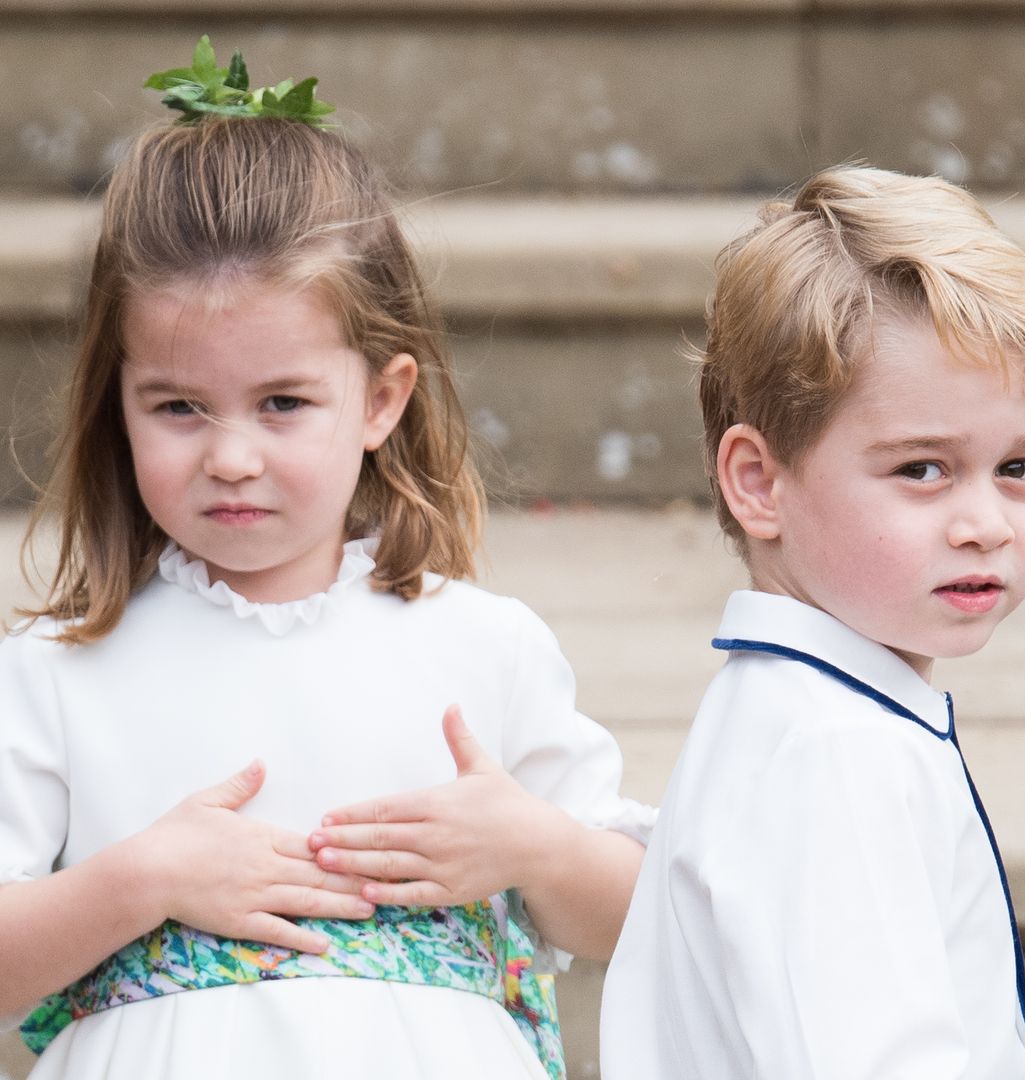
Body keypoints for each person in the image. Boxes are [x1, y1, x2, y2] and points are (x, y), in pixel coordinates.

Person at [0, 39, 650, 1080]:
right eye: (177, 406)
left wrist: (534, 848)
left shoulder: (482, 646)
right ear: (115, 407)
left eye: (283, 403)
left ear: (381, 401)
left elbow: (639, 921)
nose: (232, 457)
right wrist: (140, 879)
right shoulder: (58, 670)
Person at [600, 164, 1025, 1079]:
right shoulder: (835, 754)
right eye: (922, 470)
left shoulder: (800, 715)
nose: (985, 523)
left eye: (1019, 467)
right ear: (759, 481)